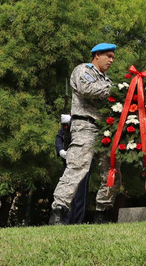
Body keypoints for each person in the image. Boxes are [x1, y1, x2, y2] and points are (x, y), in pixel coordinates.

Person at [50, 43, 120, 225]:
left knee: (111, 171)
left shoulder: (107, 80)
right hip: (85, 126)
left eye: (113, 57)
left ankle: (102, 212)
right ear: (97, 55)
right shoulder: (83, 70)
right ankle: (58, 210)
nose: (111, 60)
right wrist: (116, 92)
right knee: (77, 168)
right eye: (109, 56)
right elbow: (87, 90)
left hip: (105, 129)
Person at [55, 114, 91, 224]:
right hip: (69, 160)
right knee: (67, 189)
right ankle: (65, 220)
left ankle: (77, 221)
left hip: (84, 160)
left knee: (80, 193)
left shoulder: (86, 123)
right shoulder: (67, 124)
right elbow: (59, 138)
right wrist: (61, 151)